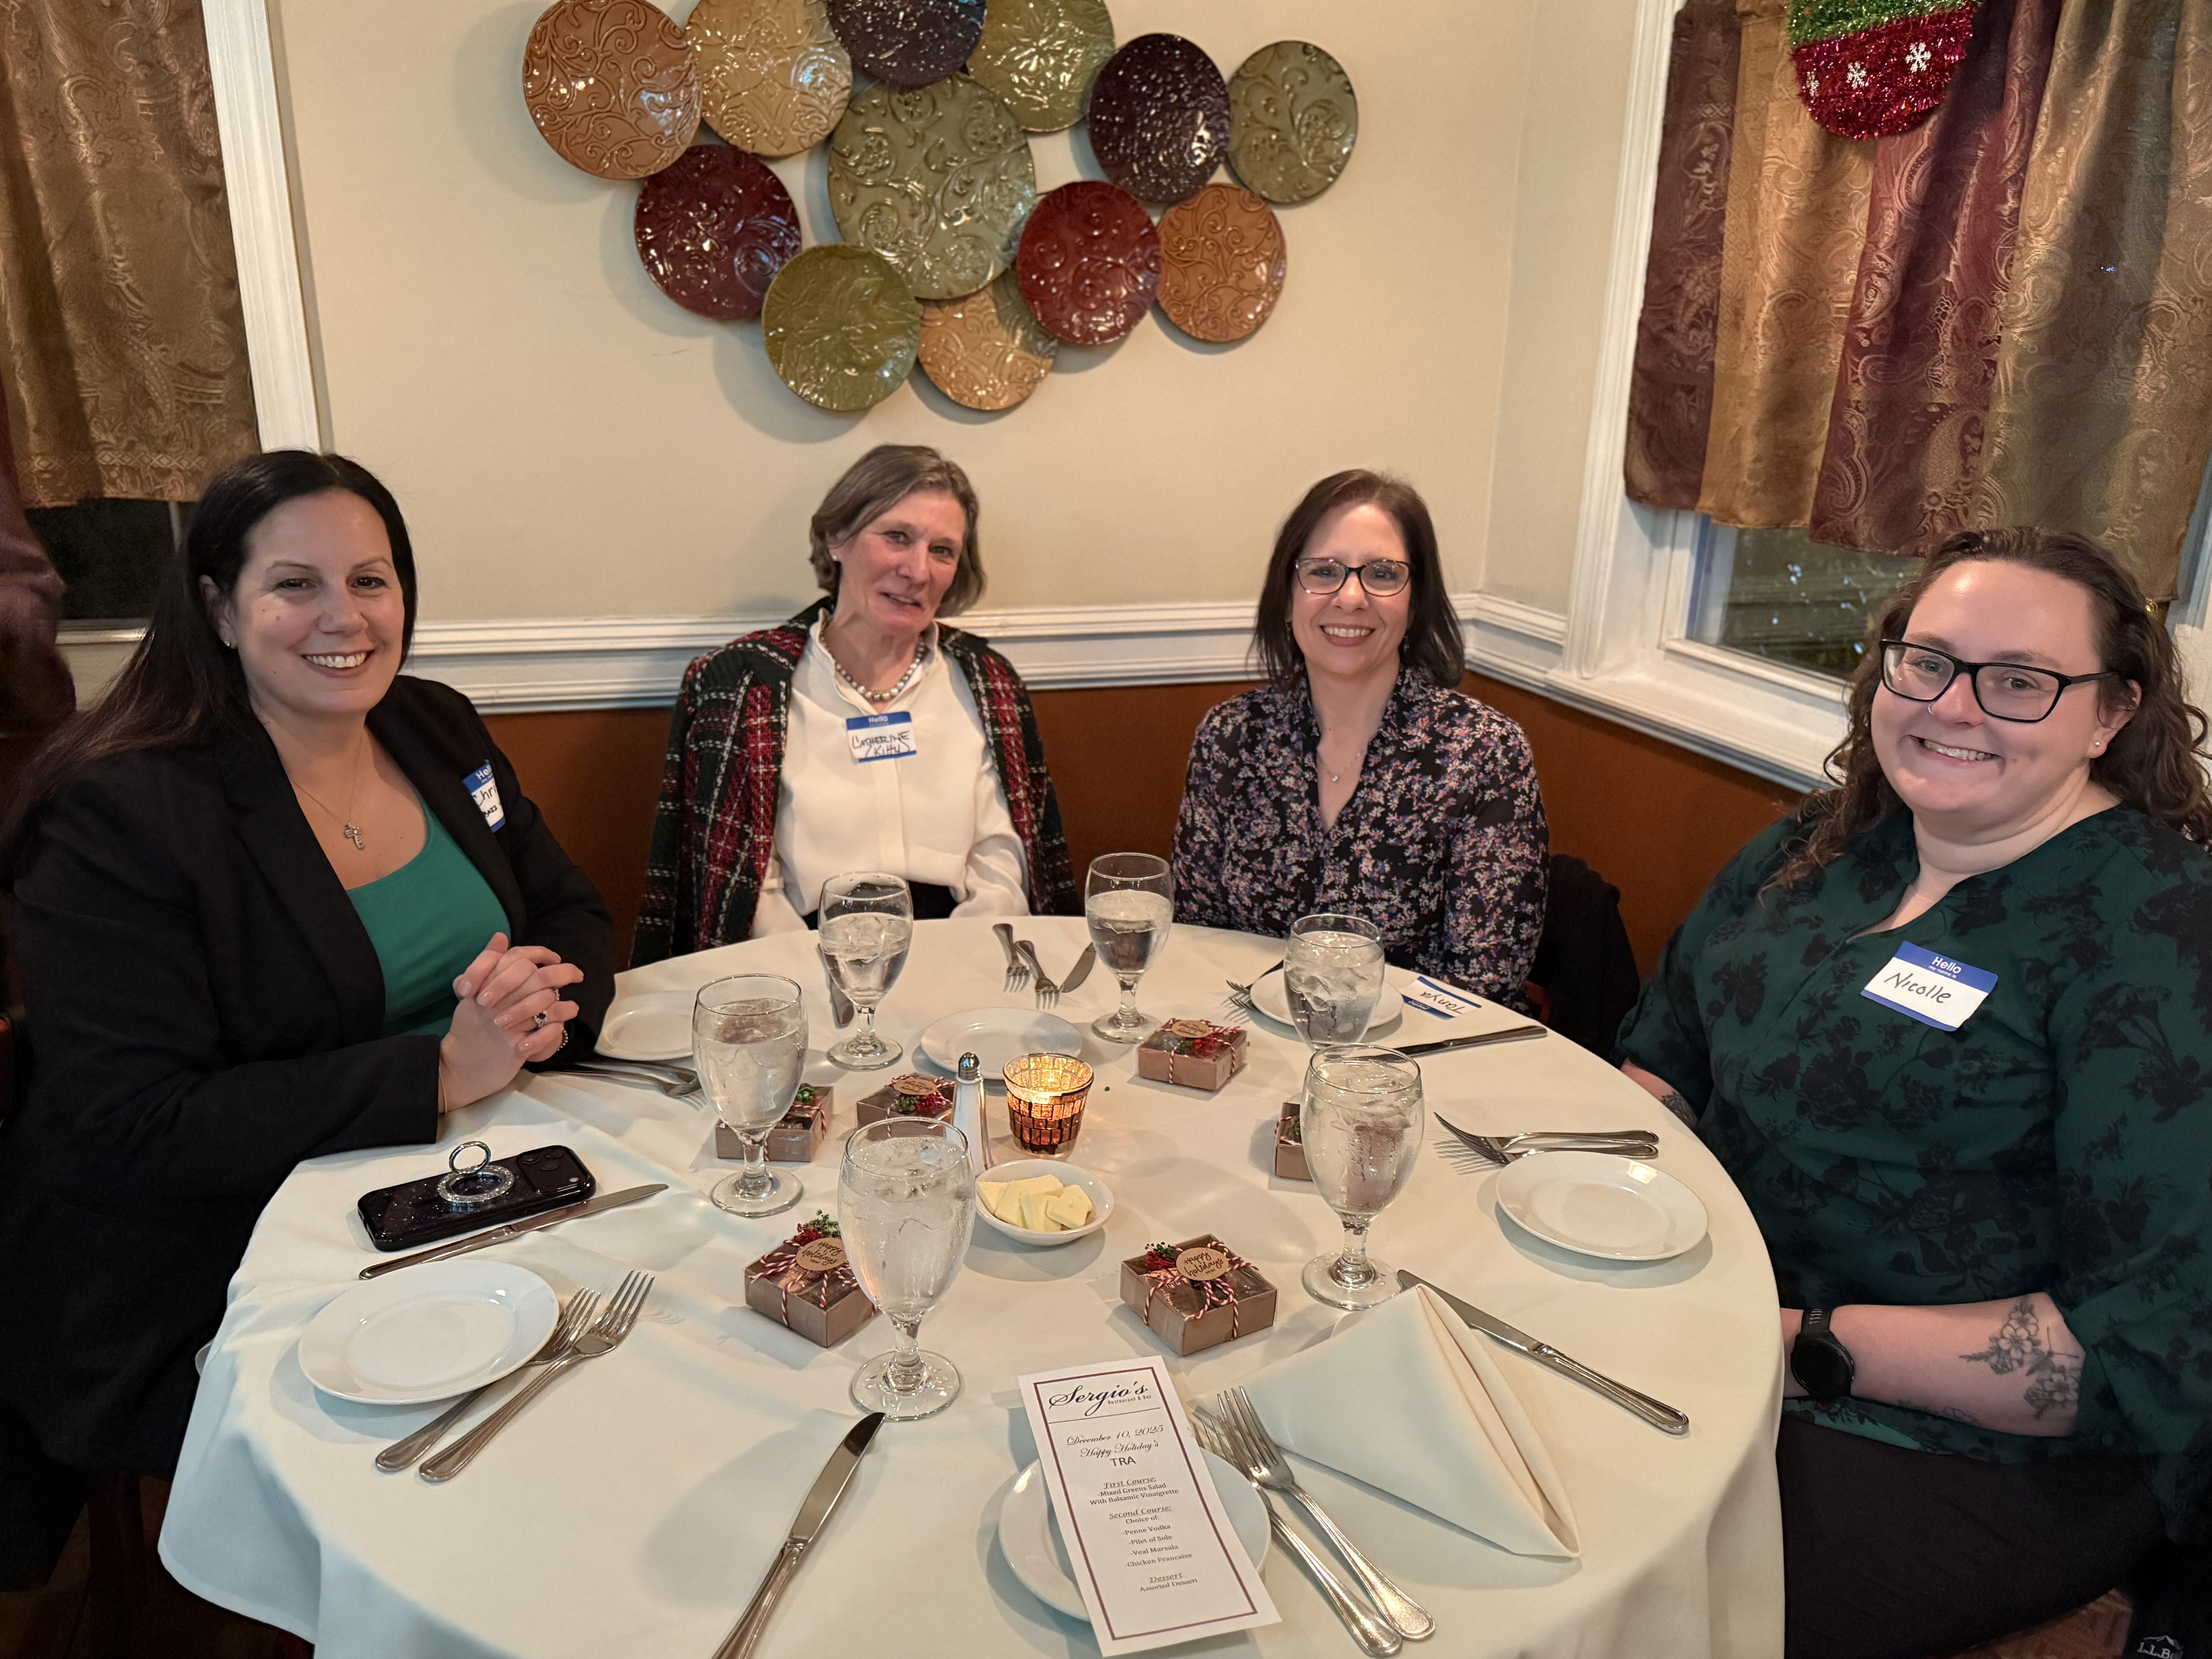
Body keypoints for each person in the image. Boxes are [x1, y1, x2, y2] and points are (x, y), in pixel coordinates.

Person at [1615, 528, 2212, 1659]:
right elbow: (1668, 1053)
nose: (1952, 704)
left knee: (1641, 1594)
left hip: (1967, 1444)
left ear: (2110, 712)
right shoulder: (1823, 845)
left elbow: (2143, 1347)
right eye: (1924, 658)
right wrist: (1595, 1223)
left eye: (2020, 681)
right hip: (1704, 1318)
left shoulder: (2155, 934)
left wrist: (1789, 1338)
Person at [0, 450, 613, 1499]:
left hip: (462, 1181)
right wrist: (441, 1071)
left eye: (370, 579)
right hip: (215, 1260)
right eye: (296, 584)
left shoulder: (435, 725)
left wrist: (541, 1006)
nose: (347, 616)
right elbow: (135, 1121)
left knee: (628, 1357)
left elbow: (570, 911)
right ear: (220, 609)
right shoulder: (121, 815)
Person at [632, 445, 1076, 961]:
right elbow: (749, 890)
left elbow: (1001, 861)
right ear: (836, 537)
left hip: (961, 955)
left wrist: (961, 965)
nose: (917, 571)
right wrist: (827, 980)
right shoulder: (743, 687)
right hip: (801, 962)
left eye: (943, 551)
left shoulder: (988, 683)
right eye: (897, 537)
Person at [1171, 471, 1548, 1004]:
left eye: (1383, 573)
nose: (1351, 597)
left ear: (1416, 601)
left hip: (1415, 1065)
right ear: (1287, 596)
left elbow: (1484, 987)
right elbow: (1195, 938)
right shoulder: (1231, 737)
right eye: (1323, 571)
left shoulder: (1484, 752)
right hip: (1249, 1052)